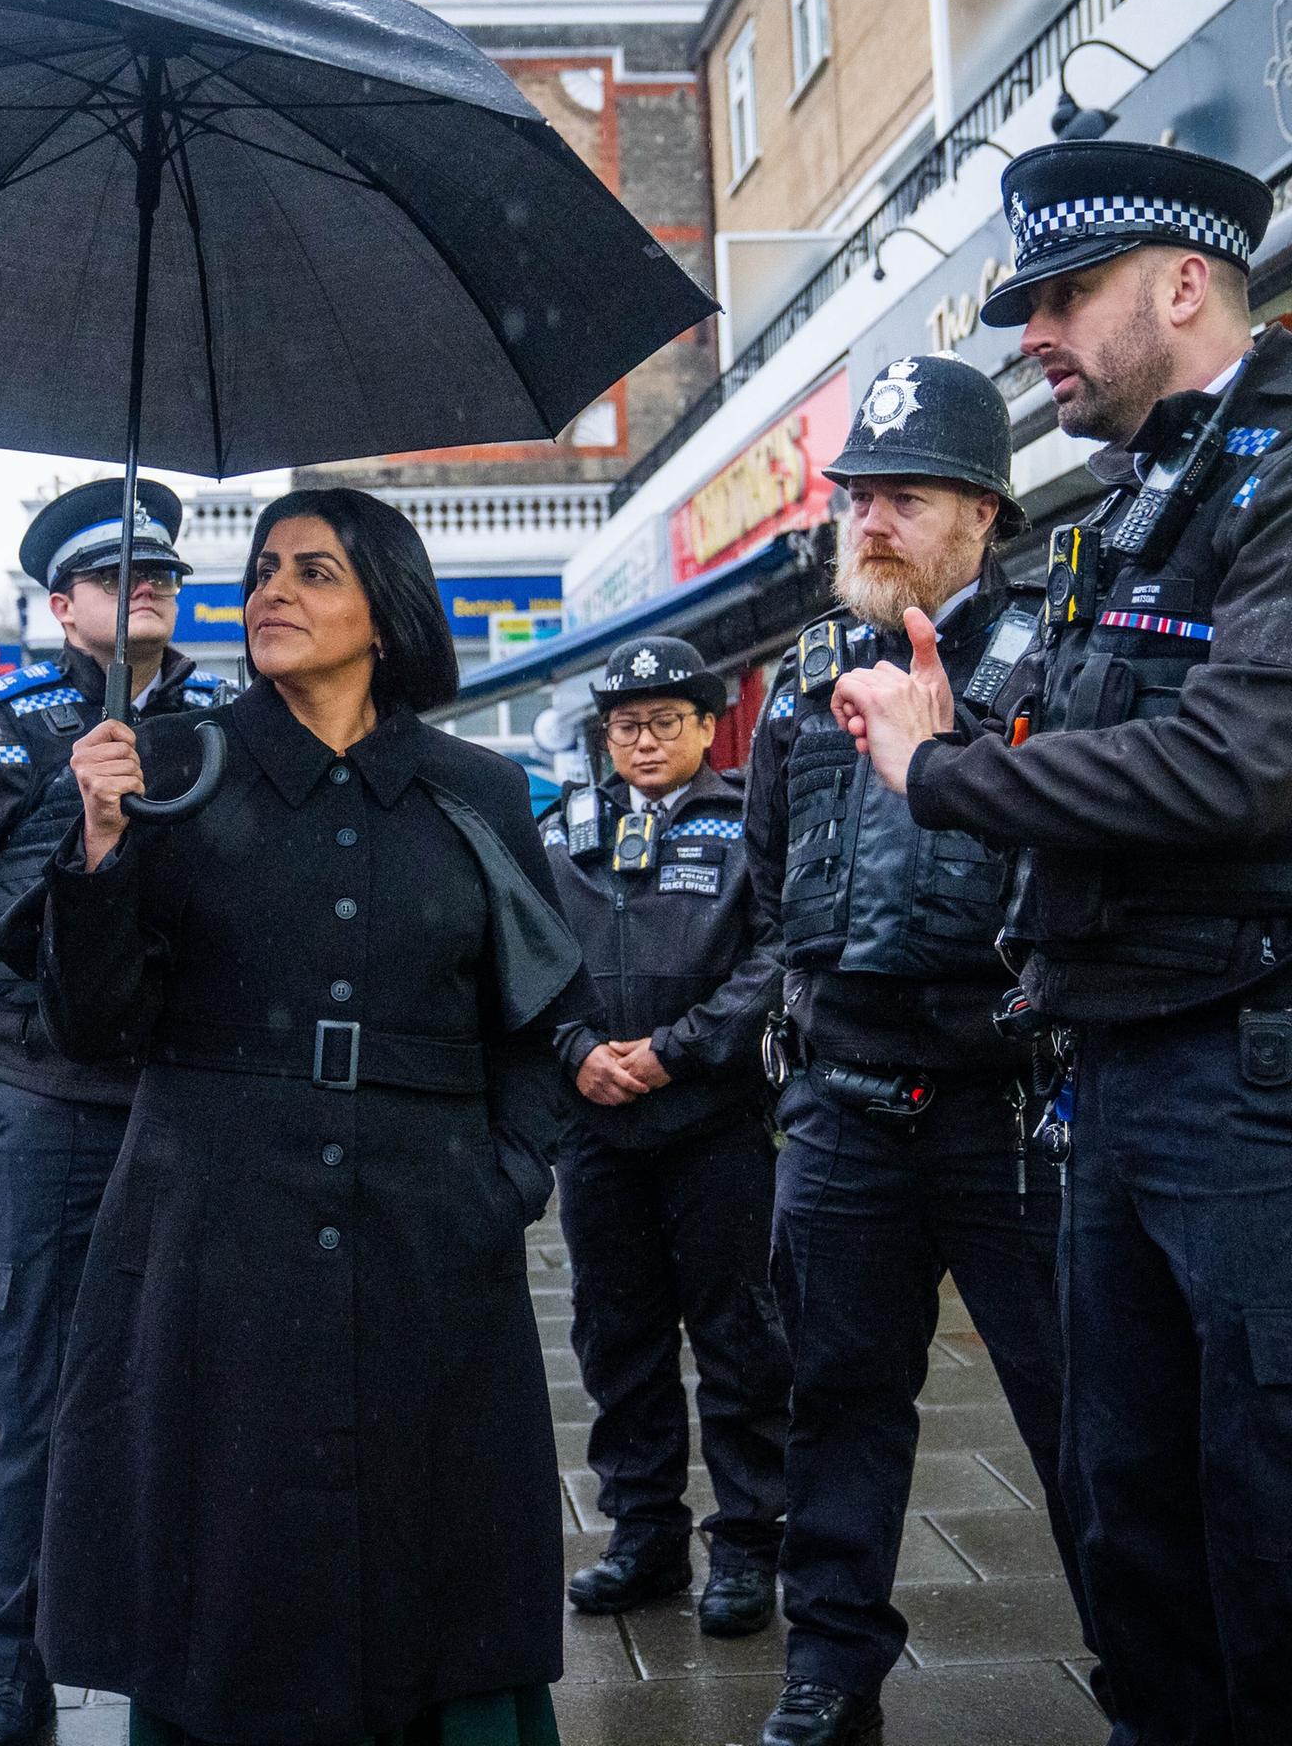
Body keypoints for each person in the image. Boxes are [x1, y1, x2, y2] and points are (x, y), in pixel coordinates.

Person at [831, 141, 1289, 1746]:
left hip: (1249, 1075)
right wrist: (984, 738)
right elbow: (1101, 764)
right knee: (1128, 1508)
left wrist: (950, 768)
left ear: (1182, 284)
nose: (1031, 331)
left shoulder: (1280, 468)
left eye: (1065, 296)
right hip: (1120, 1062)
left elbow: (1245, 764)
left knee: (1261, 1507)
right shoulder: (1143, 498)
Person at [25, 486, 587, 1746]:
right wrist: (101, 845)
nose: (270, 589)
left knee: (435, 1567)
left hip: (432, 1237)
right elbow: (92, 1025)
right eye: (265, 567)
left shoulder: (478, 789)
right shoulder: (168, 766)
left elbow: (540, 1018)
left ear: (384, 614)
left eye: (314, 571)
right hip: (212, 1238)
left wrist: (508, 1181)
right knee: (225, 1567)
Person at [743, 354, 1089, 1746]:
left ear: (985, 512)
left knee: (1085, 1406)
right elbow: (768, 876)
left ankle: (1155, 1659)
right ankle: (830, 1670)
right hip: (843, 1099)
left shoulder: (1058, 653)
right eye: (859, 500)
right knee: (835, 1396)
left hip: (1007, 1108)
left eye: (903, 498)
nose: (870, 523)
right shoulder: (808, 670)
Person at [0, 477, 234, 1746]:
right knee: (35, 1391)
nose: (150, 586)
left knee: (197, 1385)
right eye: (119, 576)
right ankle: (13, 1668)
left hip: (195, 1102)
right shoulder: (6, 738)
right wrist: (30, 1009)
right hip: (45, 1114)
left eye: (164, 573)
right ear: (63, 605)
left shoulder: (234, 724)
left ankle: (186, 1656)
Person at [539, 635, 789, 1635]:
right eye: (627, 726)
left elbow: (777, 950)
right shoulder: (561, 833)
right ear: (607, 737)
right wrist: (574, 1051)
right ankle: (643, 1538)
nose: (645, 741)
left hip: (714, 1122)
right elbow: (524, 957)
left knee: (738, 1340)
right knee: (618, 1343)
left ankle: (747, 1549)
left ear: (703, 728)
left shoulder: (744, 829)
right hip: (595, 1132)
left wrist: (679, 1049)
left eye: (666, 723)